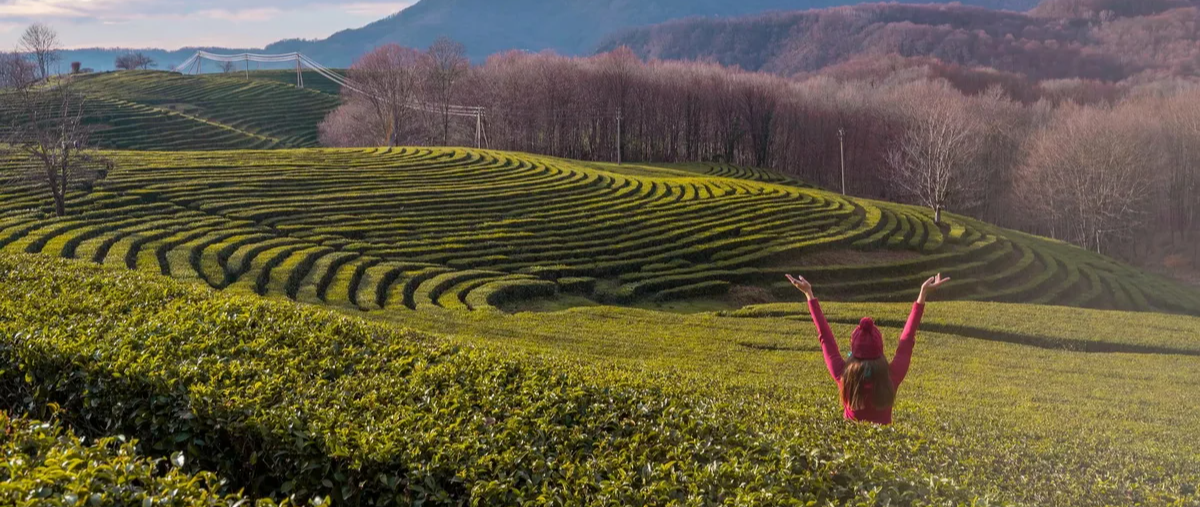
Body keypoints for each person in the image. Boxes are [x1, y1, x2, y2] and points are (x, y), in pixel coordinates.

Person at [786, 273, 950, 425]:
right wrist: (922, 295)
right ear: (879, 351)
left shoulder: (844, 377)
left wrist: (809, 294)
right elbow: (907, 340)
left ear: (854, 352)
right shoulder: (890, 379)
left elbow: (825, 338)